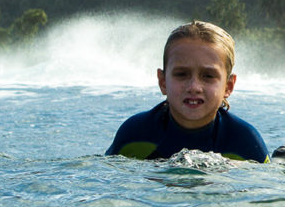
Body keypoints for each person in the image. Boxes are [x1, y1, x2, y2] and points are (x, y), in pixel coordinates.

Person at [106, 20, 271, 161]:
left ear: (228, 87)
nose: (194, 87)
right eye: (181, 74)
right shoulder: (135, 134)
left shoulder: (245, 142)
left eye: (208, 76)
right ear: (163, 81)